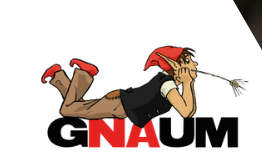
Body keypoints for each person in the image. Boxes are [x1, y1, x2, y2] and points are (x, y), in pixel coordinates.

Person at [40, 46, 199, 128]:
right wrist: (187, 82)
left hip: (118, 104)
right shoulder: (167, 85)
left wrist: (189, 82)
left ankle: (60, 76)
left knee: (76, 105)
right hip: (116, 104)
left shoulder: (168, 84)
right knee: (67, 110)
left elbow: (189, 110)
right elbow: (186, 112)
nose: (195, 63)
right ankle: (82, 74)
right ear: (175, 66)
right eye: (188, 61)